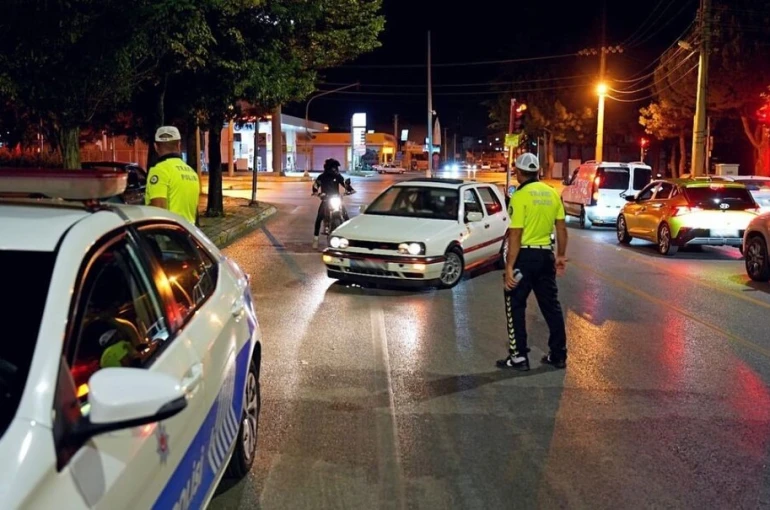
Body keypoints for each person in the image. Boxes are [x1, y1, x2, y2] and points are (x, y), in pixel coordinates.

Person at [497, 153, 569, 371]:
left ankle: (518, 357)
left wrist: (509, 267)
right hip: (546, 256)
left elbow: (516, 234)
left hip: (525, 258)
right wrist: (560, 255)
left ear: (519, 172)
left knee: (515, 303)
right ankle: (558, 355)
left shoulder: (520, 196)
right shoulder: (552, 194)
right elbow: (562, 229)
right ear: (537, 171)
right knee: (551, 307)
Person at [145, 126, 200, 225]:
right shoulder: (192, 173)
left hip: (168, 235)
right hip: (188, 234)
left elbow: (159, 210)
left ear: (155, 147)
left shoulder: (159, 170)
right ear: (179, 145)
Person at [311, 158, 354, 249]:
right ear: (329, 168)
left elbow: (344, 184)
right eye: (334, 168)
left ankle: (350, 238)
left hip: (337, 198)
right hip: (326, 199)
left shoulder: (338, 176)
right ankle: (315, 239)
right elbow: (315, 186)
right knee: (319, 218)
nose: (335, 170)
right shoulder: (322, 177)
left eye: (336, 168)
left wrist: (350, 189)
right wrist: (317, 193)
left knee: (346, 217)